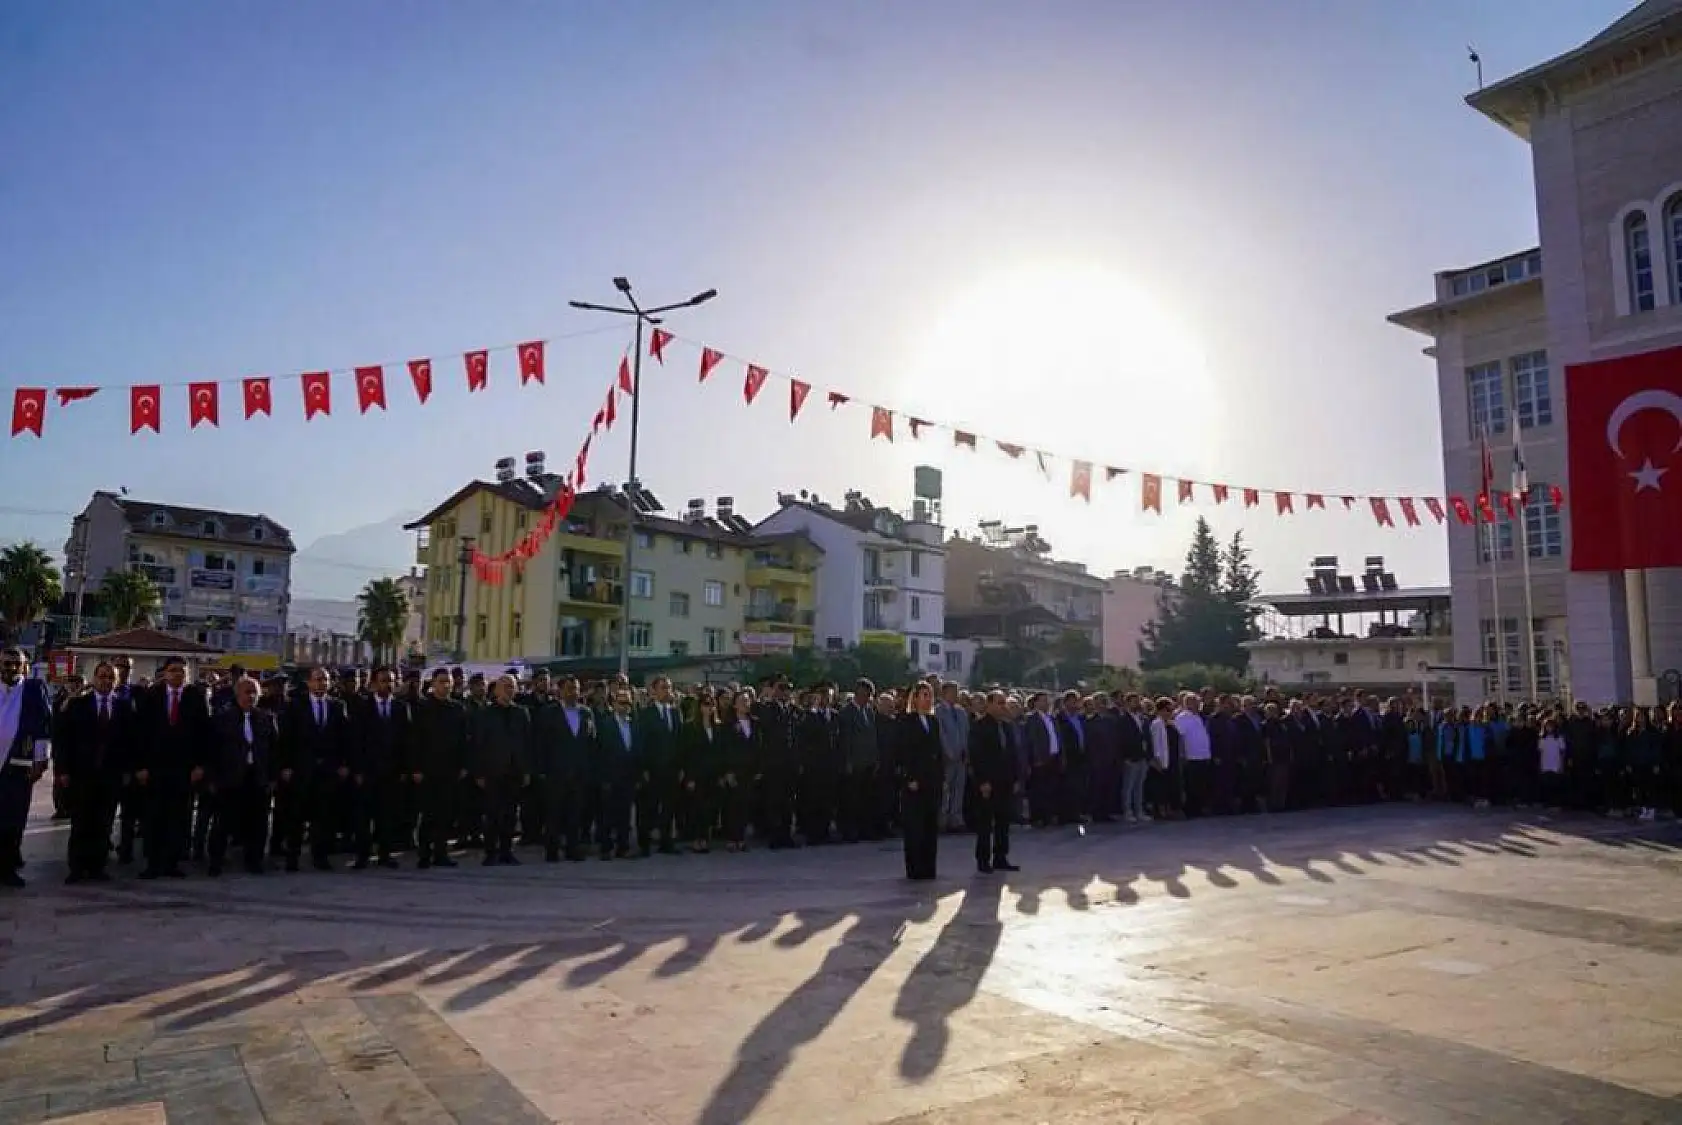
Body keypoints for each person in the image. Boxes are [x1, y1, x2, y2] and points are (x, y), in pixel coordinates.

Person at [53, 660, 132, 883]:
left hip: (110, 776)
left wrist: (127, 771)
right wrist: (63, 770)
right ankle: (77, 867)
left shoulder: (123, 707)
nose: (106, 681)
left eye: (111, 677)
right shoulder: (78, 705)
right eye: (102, 676)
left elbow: (130, 742)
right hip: (81, 774)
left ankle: (98, 866)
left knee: (103, 823)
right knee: (80, 822)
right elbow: (64, 741)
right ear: (94, 678)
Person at [133, 657, 211, 879]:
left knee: (179, 817)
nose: (178, 674)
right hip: (155, 769)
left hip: (184, 769)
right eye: (173, 670)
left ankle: (173, 862)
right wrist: (141, 766)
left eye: (182, 671)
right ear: (165, 673)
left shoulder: (196, 696)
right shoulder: (152, 696)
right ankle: (152, 863)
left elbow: (204, 733)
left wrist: (200, 765)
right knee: (154, 816)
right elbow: (140, 735)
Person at [205, 676, 279, 877]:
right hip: (230, 779)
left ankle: (254, 860)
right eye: (247, 692)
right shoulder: (222, 719)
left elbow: (274, 750)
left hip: (257, 778)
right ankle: (216, 861)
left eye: (255, 692)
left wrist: (272, 778)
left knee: (258, 823)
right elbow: (212, 751)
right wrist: (213, 778)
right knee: (223, 822)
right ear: (237, 694)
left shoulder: (266, 718)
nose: (252, 696)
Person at [0, 647, 53, 889]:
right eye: (5, 663)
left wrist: (41, 760)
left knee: (13, 819)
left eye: (15, 663)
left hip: (18, 764)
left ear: (24, 666)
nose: (10, 667)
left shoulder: (32, 689)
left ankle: (7, 868)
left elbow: (43, 726)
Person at [350, 666, 409, 869]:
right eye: (384, 680)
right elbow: (356, 741)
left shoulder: (401, 708)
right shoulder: (363, 707)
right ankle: (362, 855)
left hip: (391, 772)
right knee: (364, 818)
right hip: (368, 772)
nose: (388, 684)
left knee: (387, 816)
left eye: (391, 681)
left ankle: (385, 854)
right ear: (374, 684)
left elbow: (405, 742)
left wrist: (403, 769)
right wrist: (357, 770)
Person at [409, 668, 467, 869]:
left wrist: (463, 765)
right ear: (432, 684)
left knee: (445, 815)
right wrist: (415, 768)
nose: (446, 685)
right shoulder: (421, 707)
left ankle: (441, 853)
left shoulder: (458, 708)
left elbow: (463, 740)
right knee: (428, 815)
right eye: (442, 681)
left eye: (448, 682)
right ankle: (424, 854)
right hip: (426, 770)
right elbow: (414, 741)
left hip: (450, 770)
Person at [472, 674, 530, 865]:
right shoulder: (485, 714)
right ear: (496, 690)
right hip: (492, 772)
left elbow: (527, 743)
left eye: (512, 687)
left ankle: (507, 850)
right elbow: (478, 744)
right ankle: (491, 852)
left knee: (511, 815)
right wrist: (479, 772)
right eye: (505, 686)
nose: (509, 690)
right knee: (492, 815)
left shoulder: (521, 713)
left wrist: (526, 770)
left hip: (514, 772)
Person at [967, 690, 1020, 875]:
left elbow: (1012, 754)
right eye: (999, 702)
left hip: (1005, 781)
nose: (1002, 706)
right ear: (989, 705)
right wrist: (982, 781)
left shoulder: (1006, 726)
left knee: (1003, 821)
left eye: (1003, 702)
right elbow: (976, 756)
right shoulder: (979, 726)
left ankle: (1000, 857)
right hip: (988, 783)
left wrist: (1015, 778)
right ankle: (983, 859)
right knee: (985, 822)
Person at [896, 681, 944, 881]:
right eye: (923, 695)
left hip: (932, 781)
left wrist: (941, 777)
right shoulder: (905, 722)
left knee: (930, 826)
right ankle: (914, 869)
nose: (927, 699)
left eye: (929, 695)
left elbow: (937, 752)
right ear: (914, 698)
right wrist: (909, 778)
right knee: (915, 827)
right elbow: (902, 753)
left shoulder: (933, 722)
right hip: (914, 782)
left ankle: (928, 867)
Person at [675, 692, 723, 852]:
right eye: (705, 704)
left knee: (709, 808)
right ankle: (696, 839)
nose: (709, 707)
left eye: (711, 704)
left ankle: (705, 838)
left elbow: (719, 752)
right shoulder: (689, 727)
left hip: (713, 774)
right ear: (699, 707)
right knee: (696, 808)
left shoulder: (717, 727)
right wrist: (689, 777)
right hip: (696, 774)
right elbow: (685, 754)